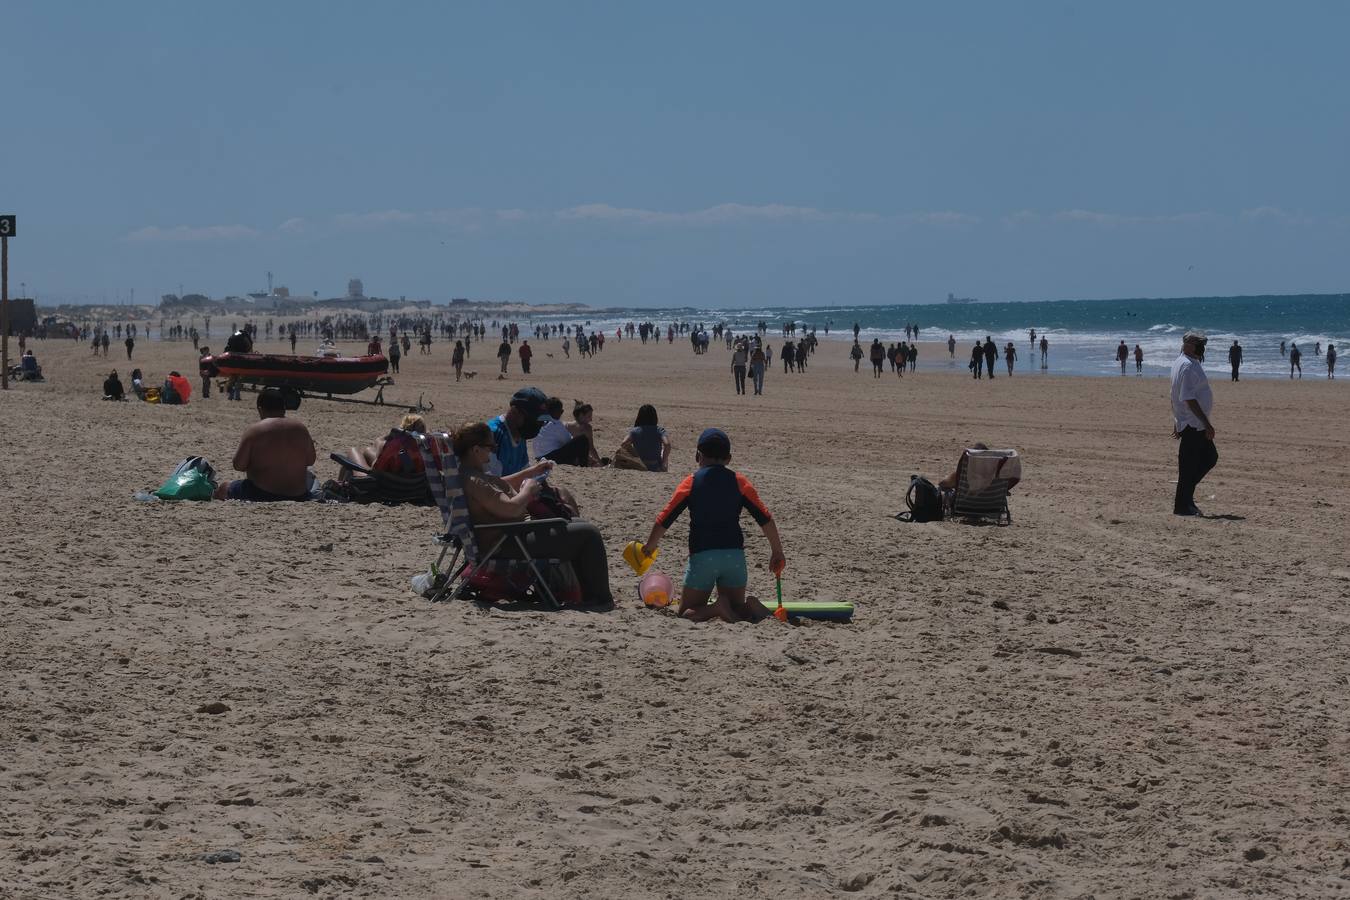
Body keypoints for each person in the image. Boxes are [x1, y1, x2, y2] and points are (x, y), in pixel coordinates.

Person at [454, 421, 613, 607]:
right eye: (490, 447)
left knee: (577, 523)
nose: (493, 450)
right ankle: (601, 600)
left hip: (509, 535)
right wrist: (528, 491)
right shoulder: (475, 481)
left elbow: (500, 485)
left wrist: (531, 472)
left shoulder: (469, 475)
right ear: (475, 450)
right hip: (507, 542)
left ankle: (587, 596)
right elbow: (510, 508)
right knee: (589, 535)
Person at [639, 428, 786, 623]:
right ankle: (748, 606)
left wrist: (650, 546)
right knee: (736, 608)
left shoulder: (690, 483)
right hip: (734, 556)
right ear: (729, 458)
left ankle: (716, 607)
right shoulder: (740, 482)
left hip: (703, 556)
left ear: (697, 455)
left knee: (686, 613)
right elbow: (765, 518)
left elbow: (665, 518)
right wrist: (777, 551)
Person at [215, 389, 317, 502]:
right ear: (284, 408)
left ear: (260, 409)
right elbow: (311, 460)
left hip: (261, 493)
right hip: (299, 495)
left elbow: (238, 465)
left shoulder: (255, 430)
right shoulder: (301, 429)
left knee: (224, 487)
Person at [1170, 332, 1217, 517]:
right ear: (1188, 345)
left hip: (1189, 423)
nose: (1202, 348)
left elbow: (1173, 395)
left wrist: (1176, 419)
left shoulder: (1181, 362)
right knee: (1193, 465)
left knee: (1208, 458)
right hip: (1193, 424)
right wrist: (1207, 423)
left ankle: (1186, 499)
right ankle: (1183, 505)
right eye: (1199, 344)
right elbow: (1187, 398)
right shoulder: (1187, 366)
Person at [487, 386, 548, 476]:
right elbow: (490, 484)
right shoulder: (491, 435)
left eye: (543, 421)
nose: (540, 425)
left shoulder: (519, 433)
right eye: (534, 420)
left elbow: (524, 469)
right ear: (515, 411)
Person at [534, 397, 592, 466]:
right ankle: (585, 464)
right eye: (560, 410)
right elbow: (567, 440)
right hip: (549, 457)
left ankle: (578, 461)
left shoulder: (541, 421)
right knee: (582, 439)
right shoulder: (556, 423)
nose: (562, 412)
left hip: (539, 457)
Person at [615, 404, 671, 472]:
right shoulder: (659, 430)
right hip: (655, 465)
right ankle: (663, 468)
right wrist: (664, 462)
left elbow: (623, 443)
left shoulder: (634, 431)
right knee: (663, 451)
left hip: (639, 465)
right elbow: (667, 444)